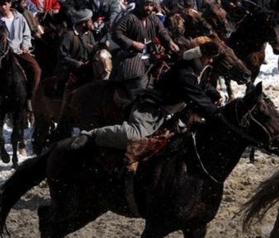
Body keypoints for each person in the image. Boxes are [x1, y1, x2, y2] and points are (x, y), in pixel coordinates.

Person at [69, 41, 222, 150]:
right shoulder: (185, 73)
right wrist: (217, 115)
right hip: (154, 110)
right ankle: (91, 135)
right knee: (134, 135)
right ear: (198, 56)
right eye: (208, 57)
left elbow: (201, 87)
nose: (210, 61)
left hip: (173, 115)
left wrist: (214, 95)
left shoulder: (194, 71)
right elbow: (196, 96)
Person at [109, 0, 180, 98]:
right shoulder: (130, 18)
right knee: (141, 93)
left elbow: (162, 31)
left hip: (149, 59)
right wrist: (133, 43)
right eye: (147, 5)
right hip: (131, 60)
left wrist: (169, 42)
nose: (149, 8)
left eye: (151, 5)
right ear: (139, 4)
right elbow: (116, 34)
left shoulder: (153, 19)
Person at [0, 0, 42, 99]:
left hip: (19, 51)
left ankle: (30, 97)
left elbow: (26, 33)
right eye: (0, 4)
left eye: (5, 4)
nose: (3, 7)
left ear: (10, 4)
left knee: (36, 70)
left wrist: (25, 45)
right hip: (1, 53)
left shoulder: (19, 17)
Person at [54, 9, 98, 109]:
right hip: (70, 70)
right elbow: (62, 56)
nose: (91, 23)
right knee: (68, 90)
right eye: (90, 21)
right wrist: (76, 63)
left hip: (86, 69)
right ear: (83, 23)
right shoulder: (68, 35)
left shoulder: (89, 35)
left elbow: (94, 50)